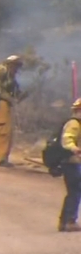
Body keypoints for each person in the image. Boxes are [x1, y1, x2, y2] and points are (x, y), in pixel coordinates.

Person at [0, 55, 26, 167]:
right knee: (3, 130)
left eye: (18, 66)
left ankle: (4, 158)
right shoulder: (2, 70)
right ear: (9, 64)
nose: (17, 68)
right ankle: (0, 159)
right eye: (15, 65)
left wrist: (19, 96)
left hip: (5, 104)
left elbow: (16, 93)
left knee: (8, 131)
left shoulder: (10, 78)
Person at [59, 99, 81, 232]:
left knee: (74, 191)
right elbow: (66, 140)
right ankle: (69, 221)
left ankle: (65, 221)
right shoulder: (74, 123)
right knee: (75, 191)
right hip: (71, 162)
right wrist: (75, 149)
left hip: (74, 162)